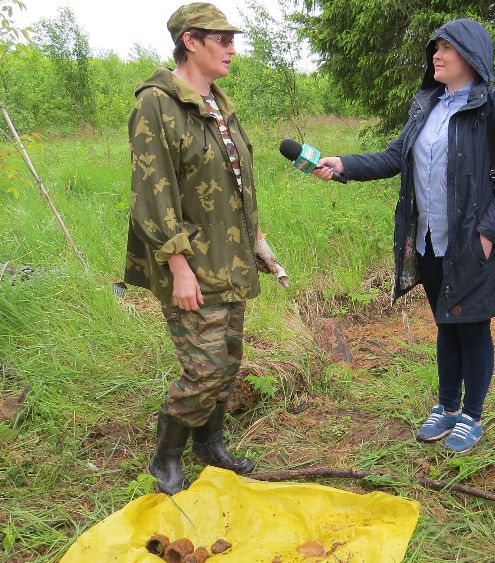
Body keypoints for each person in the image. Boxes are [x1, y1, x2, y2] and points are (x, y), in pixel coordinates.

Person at [312, 18, 495, 453]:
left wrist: (488, 233)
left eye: (447, 48)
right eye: (435, 47)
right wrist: (344, 165)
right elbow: (396, 156)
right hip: (429, 239)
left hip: (473, 240)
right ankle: (448, 406)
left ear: (471, 56)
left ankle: (472, 415)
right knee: (446, 324)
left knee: (472, 328)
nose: (437, 54)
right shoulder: (426, 105)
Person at [124, 2, 284, 494]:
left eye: (233, 39)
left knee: (228, 360)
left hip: (229, 256)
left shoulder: (218, 104)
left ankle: (209, 446)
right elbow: (153, 191)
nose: (232, 49)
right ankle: (165, 457)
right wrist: (178, 267)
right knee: (204, 367)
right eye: (223, 39)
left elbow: (236, 183)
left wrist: (257, 241)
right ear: (191, 41)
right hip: (190, 262)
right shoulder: (157, 102)